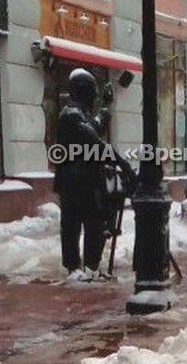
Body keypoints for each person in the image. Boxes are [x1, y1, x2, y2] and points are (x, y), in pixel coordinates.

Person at [54, 69, 135, 279]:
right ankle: (74, 269)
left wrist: (105, 108)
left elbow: (97, 138)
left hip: (89, 181)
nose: (95, 96)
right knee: (72, 226)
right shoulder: (70, 114)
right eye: (92, 92)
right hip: (74, 182)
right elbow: (95, 140)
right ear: (83, 91)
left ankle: (91, 268)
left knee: (95, 224)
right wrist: (122, 163)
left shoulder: (84, 115)